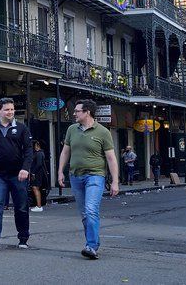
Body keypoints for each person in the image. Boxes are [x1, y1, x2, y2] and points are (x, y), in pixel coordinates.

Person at [57, 99, 118, 260]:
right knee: (84, 213)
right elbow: (65, 152)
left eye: (77, 111)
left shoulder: (103, 132)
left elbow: (111, 158)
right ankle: (92, 242)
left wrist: (115, 181)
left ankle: (91, 246)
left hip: (95, 175)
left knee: (91, 209)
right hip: (75, 176)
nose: (74, 113)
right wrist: (60, 172)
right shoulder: (72, 129)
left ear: (87, 112)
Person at [0, 98, 34, 252]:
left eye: (12, 109)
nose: (10, 112)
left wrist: (25, 169)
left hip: (18, 175)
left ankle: (23, 238)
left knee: (21, 207)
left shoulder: (22, 128)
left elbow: (29, 151)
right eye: (7, 109)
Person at [29, 139, 49, 212]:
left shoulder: (39, 153)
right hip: (39, 173)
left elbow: (39, 164)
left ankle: (39, 205)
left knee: (35, 187)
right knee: (36, 188)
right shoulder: (40, 153)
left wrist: (33, 172)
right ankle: (38, 204)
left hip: (38, 173)